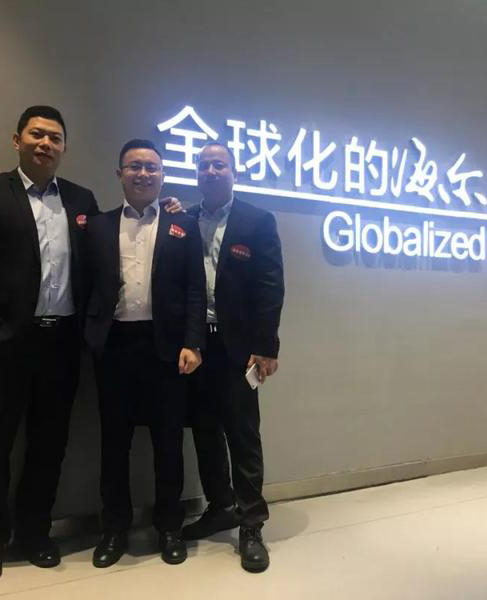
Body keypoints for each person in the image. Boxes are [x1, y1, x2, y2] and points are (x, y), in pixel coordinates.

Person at [0, 106, 99, 581]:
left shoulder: (81, 200)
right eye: (37, 134)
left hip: (62, 342)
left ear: (64, 147)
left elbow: (102, 258)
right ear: (17, 140)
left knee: (49, 443)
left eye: (55, 137)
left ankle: (35, 532)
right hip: (4, 341)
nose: (46, 143)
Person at [84, 139, 206, 568]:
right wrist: (91, 336)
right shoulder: (98, 226)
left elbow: (195, 289)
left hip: (166, 349)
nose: (143, 174)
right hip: (115, 346)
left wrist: (193, 342)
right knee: (113, 442)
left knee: (168, 441)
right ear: (120, 174)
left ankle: (169, 527)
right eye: (134, 167)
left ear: (162, 175)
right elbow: (85, 286)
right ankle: (114, 529)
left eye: (152, 167)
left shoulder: (182, 224)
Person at [183, 142, 285, 573]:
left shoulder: (257, 221)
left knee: (243, 435)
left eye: (219, 164)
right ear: (197, 174)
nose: (211, 170)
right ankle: (220, 507)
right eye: (204, 165)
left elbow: (270, 287)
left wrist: (266, 347)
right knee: (204, 432)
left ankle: (251, 524)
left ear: (233, 172)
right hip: (196, 347)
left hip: (239, 349)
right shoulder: (185, 219)